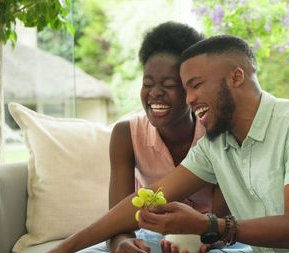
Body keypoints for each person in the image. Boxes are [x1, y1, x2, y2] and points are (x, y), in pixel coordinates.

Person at [52, 34, 289, 253]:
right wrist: (65, 248)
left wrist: (207, 226)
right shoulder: (216, 146)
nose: (189, 99)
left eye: (196, 85)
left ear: (236, 77)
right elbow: (147, 197)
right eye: (185, 89)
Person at [51, 22, 228, 253]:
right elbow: (118, 220)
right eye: (147, 84)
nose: (154, 93)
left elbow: (223, 222)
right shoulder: (126, 134)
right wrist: (121, 244)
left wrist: (201, 241)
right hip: (153, 238)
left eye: (168, 84)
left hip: (208, 239)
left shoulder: (216, 133)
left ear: (189, 88)